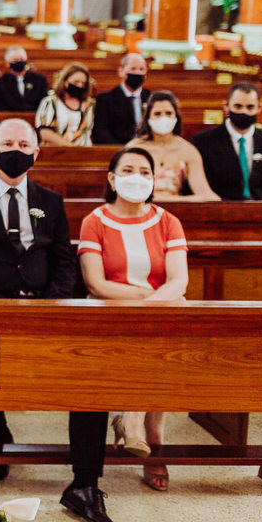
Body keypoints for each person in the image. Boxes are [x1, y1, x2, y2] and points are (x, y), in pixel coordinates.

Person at [0, 118, 112, 522]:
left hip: (47, 312)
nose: (16, 148)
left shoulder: (50, 201)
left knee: (91, 373)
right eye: (8, 142)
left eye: (25, 143)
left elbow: (65, 259)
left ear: (37, 152)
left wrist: (52, 304)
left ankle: (85, 482)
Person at [78, 146, 189, 493]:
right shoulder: (94, 221)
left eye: (144, 171)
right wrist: (144, 301)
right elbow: (96, 283)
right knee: (148, 338)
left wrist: (150, 306)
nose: (136, 177)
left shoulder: (167, 220)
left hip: (159, 310)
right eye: (127, 170)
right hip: (110, 310)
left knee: (160, 341)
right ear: (111, 179)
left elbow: (178, 280)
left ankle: (133, 419)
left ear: (154, 179)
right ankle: (148, 441)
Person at [129, 91, 219, 200]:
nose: (163, 118)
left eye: (168, 113)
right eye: (157, 114)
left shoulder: (187, 150)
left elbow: (206, 195)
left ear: (176, 116)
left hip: (176, 210)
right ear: (148, 118)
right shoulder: (134, 149)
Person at [191, 81, 262, 200]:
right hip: (218, 208)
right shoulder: (203, 141)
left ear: (259, 108)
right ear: (226, 106)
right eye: (238, 106)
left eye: (250, 107)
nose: (244, 112)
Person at [92, 54, 150, 144]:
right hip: (116, 150)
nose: (137, 73)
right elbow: (101, 132)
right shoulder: (105, 99)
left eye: (141, 69)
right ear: (121, 71)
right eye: (133, 69)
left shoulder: (151, 98)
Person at [35, 62, 95, 146]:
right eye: (76, 82)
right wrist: (71, 148)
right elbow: (45, 133)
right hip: (56, 152)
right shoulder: (51, 102)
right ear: (65, 82)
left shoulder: (90, 105)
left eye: (83, 83)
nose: (80, 86)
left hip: (86, 152)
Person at [0, 45, 49, 112]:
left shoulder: (39, 80)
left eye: (21, 59)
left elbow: (44, 103)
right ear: (7, 63)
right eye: (15, 60)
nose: (19, 62)